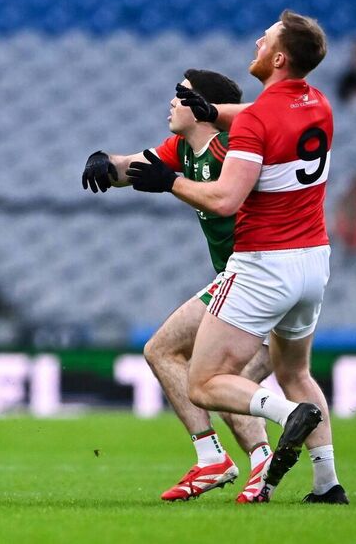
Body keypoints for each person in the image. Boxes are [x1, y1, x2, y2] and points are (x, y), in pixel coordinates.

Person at [126, 11, 348, 504]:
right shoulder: (318, 104)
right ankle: (327, 484)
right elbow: (260, 115)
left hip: (265, 263)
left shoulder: (256, 123)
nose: (256, 41)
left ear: (278, 57)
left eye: (264, 38)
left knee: (204, 382)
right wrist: (212, 110)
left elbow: (225, 199)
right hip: (314, 260)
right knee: (296, 372)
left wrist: (172, 183)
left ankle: (279, 419)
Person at [82, 70, 274, 503]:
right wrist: (103, 161)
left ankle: (219, 460)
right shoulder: (182, 149)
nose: (171, 102)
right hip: (245, 282)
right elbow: (132, 167)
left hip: (257, 276)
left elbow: (227, 197)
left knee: (168, 353)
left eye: (180, 95)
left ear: (204, 107)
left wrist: (170, 183)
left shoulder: (232, 151)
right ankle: (266, 466)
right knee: (217, 378)